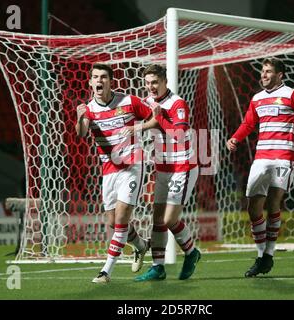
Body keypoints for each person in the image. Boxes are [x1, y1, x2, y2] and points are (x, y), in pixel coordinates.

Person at [226, 57, 294, 277]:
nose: (264, 75)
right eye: (262, 71)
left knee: (273, 201)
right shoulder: (257, 98)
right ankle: (261, 255)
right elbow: (249, 123)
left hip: (284, 157)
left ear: (280, 75)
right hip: (261, 158)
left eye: (268, 72)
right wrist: (235, 139)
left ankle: (267, 255)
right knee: (253, 206)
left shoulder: (292, 94)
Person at [76, 63, 155, 283]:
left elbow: (156, 118)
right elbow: (82, 133)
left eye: (103, 77)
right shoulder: (89, 109)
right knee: (112, 221)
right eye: (95, 77)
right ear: (91, 82)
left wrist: (138, 128)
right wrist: (79, 117)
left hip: (132, 165)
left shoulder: (129, 102)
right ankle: (141, 246)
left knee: (121, 218)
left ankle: (106, 271)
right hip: (108, 169)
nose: (99, 81)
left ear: (111, 81)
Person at [132, 64, 201, 282]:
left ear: (164, 82)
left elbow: (179, 135)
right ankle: (157, 268)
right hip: (162, 167)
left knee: (170, 219)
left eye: (155, 82)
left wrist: (158, 117)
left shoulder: (177, 103)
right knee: (157, 219)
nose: (151, 87)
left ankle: (192, 252)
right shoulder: (148, 102)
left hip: (183, 166)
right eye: (148, 83)